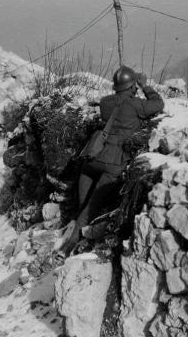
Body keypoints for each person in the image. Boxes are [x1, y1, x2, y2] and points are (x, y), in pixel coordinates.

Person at [58, 66, 164, 254]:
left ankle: (72, 229)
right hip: (114, 163)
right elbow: (158, 104)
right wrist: (145, 86)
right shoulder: (136, 104)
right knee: (91, 208)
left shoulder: (105, 102)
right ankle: (68, 246)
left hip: (93, 158)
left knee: (83, 204)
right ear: (132, 86)